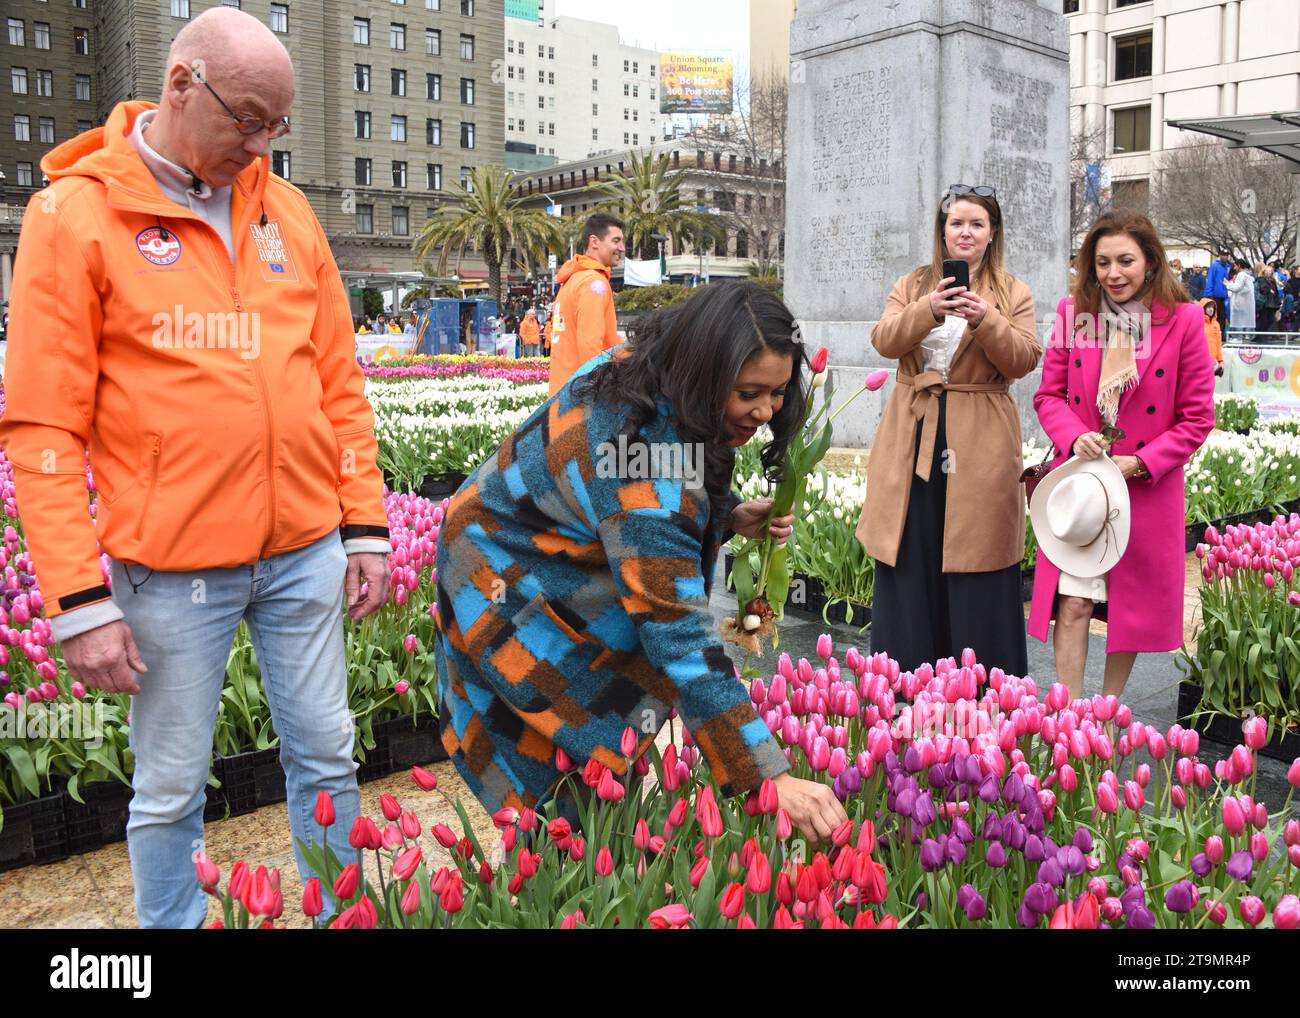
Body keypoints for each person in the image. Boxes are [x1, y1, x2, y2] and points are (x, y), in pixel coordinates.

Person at [0, 6, 392, 927]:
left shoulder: (285, 210)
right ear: (181, 84)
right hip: (173, 570)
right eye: (246, 119)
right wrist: (75, 603)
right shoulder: (75, 215)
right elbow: (42, 427)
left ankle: (346, 917)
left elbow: (338, 382)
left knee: (330, 759)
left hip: (303, 552)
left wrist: (365, 524)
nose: (259, 146)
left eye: (275, 127)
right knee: (170, 789)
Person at [435, 281, 849, 843]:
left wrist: (721, 518)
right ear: (706, 371)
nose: (765, 410)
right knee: (558, 788)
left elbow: (621, 515)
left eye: (776, 394)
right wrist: (765, 777)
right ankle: (561, 879)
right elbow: (674, 629)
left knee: (596, 782)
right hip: (500, 581)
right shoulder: (642, 447)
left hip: (544, 556)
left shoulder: (656, 376)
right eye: (750, 392)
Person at [1029, 212, 1214, 698]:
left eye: (1126, 261)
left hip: (1143, 490)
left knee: (1126, 615)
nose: (1113, 273)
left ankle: (1106, 717)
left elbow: (1197, 418)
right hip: (1082, 488)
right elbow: (1048, 396)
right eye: (1103, 261)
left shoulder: (1185, 321)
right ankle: (1068, 720)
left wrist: (1144, 462)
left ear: (1150, 262)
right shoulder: (1076, 315)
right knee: (1074, 603)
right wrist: (1073, 437)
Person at [857, 185, 1040, 675]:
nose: (966, 232)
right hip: (913, 431)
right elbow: (883, 340)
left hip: (978, 439)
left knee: (976, 552)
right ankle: (906, 676)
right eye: (956, 223)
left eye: (977, 224)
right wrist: (929, 309)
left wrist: (987, 321)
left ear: (992, 234)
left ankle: (985, 686)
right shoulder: (915, 283)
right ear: (942, 232)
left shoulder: (1012, 292)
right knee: (910, 547)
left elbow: (1023, 359)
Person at [548, 213, 625, 397]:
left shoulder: (574, 279)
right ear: (594, 242)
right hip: (581, 400)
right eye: (616, 241)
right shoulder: (593, 283)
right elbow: (590, 348)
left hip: (564, 392)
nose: (621, 248)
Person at [1226, 259, 1255, 336]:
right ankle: (1245, 336)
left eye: (1235, 265)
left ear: (1239, 265)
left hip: (1240, 302)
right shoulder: (1247, 275)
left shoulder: (1241, 275)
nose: (1234, 267)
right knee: (1243, 320)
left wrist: (1227, 284)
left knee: (1239, 321)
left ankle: (1238, 337)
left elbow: (1237, 287)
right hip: (1245, 302)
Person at [1206, 250, 1231, 328]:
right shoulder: (1215, 266)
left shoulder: (1227, 267)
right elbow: (1210, 279)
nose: (1225, 256)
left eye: (1226, 255)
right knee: (1214, 316)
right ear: (1220, 255)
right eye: (1223, 254)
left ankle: (1222, 336)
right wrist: (1209, 294)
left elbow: (1226, 281)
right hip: (1215, 296)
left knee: (1223, 317)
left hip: (1223, 296)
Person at [1199, 297, 1224, 376]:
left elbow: (1218, 344)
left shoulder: (1216, 324)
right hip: (1200, 361)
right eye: (1209, 307)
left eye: (1213, 307)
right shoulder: (1198, 322)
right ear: (1203, 308)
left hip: (1213, 363)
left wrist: (1220, 361)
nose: (1211, 309)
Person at [1255, 261, 1280, 333]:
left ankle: (1266, 335)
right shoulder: (1261, 279)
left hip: (1271, 303)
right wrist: (1269, 290)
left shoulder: (1272, 281)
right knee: (1264, 320)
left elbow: (1276, 292)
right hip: (1264, 303)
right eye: (1268, 271)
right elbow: (1263, 289)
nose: (1269, 272)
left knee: (1270, 320)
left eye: (1271, 271)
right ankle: (1261, 336)